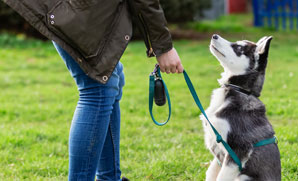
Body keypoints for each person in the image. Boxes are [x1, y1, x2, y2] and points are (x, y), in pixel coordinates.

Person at [4, 0, 183, 180]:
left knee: (112, 78)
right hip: (73, 9)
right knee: (97, 90)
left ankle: (109, 178)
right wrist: (163, 47)